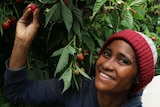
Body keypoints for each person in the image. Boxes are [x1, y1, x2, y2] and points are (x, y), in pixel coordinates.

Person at [4, 4, 158, 107]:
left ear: (138, 78)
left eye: (123, 61)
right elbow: (18, 91)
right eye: (106, 53)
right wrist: (22, 42)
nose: (107, 64)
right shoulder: (75, 88)